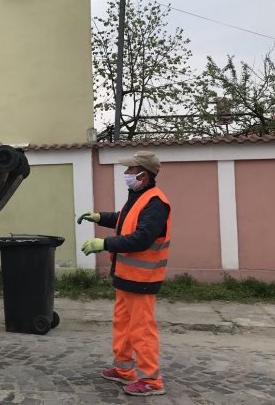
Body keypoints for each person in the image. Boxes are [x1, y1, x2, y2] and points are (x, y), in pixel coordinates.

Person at [77, 150, 171, 397]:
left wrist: (104, 244)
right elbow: (124, 219)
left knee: (141, 329)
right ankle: (124, 369)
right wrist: (100, 217)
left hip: (142, 279)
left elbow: (142, 238)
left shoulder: (156, 203)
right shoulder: (138, 197)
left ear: (144, 175)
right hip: (126, 276)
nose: (126, 173)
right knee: (123, 325)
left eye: (131, 170)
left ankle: (151, 381)